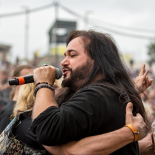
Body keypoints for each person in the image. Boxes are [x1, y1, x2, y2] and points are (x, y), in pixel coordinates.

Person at [31, 30, 150, 155]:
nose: (63, 62)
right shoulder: (107, 94)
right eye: (65, 55)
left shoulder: (97, 95)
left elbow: (47, 130)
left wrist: (43, 84)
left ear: (97, 61)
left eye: (72, 55)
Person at [0, 65, 34, 133]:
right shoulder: (8, 112)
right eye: (27, 77)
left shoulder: (33, 106)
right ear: (15, 80)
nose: (31, 81)